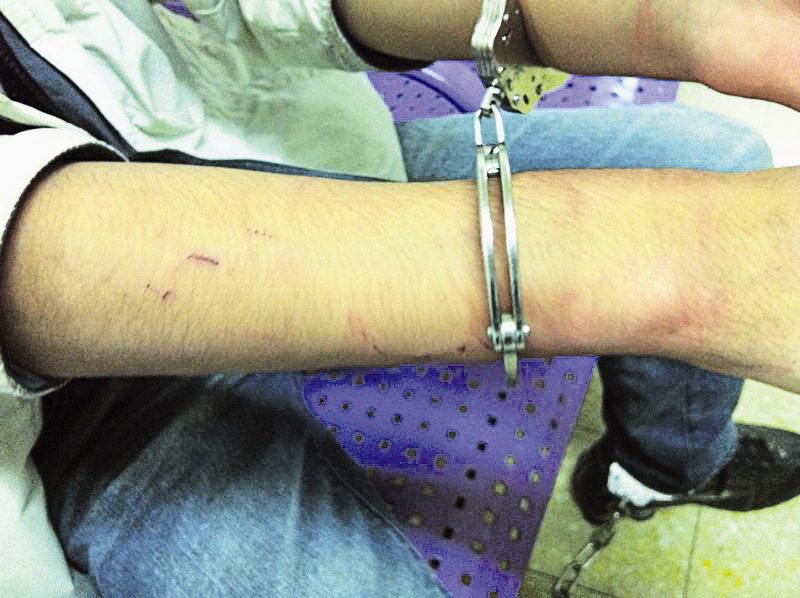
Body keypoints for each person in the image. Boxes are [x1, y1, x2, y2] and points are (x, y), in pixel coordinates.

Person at [1, 1, 800, 596]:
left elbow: (244, 13)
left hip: (273, 155)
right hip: (69, 421)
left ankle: (658, 469)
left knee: (718, 155)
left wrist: (657, 19)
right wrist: (643, 263)